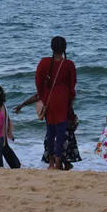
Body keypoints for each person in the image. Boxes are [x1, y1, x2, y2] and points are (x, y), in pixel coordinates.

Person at [35, 36, 77, 170]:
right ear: (65, 48)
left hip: (49, 99)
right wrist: (70, 100)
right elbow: (72, 85)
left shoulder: (43, 62)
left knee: (50, 132)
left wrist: (43, 97)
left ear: (51, 47)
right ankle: (59, 163)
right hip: (62, 100)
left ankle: (51, 163)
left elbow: (38, 82)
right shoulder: (69, 64)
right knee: (60, 134)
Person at [14, 93, 82, 171]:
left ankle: (61, 166)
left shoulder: (49, 92)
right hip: (62, 123)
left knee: (56, 146)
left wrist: (22, 105)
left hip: (58, 124)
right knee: (62, 148)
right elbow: (37, 96)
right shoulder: (57, 91)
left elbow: (37, 97)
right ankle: (64, 165)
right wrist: (22, 105)